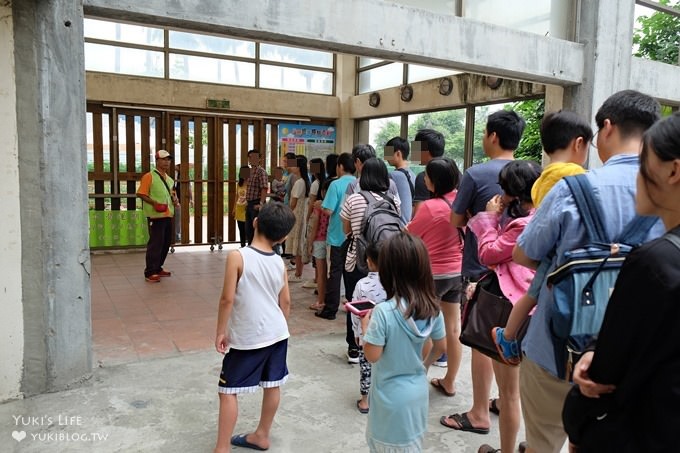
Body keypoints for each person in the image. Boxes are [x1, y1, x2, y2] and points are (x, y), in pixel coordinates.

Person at [512, 90, 662, 453]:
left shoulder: (572, 188)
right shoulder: (667, 195)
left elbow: (524, 254)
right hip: (629, 361)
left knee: (542, 443)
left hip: (555, 349)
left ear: (607, 128)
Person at [562, 112, 680, 453]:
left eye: (644, 162)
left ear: (673, 171)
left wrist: (577, 424)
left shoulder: (655, 261)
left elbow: (603, 374)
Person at [493, 111, 592, 365]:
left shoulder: (544, 177)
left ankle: (509, 335)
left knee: (531, 297)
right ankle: (510, 335)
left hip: (547, 251)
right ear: (578, 143)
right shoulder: (573, 175)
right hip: (562, 256)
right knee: (535, 296)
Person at [447, 109, 525, 430]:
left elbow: (455, 219)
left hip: (482, 270)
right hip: (520, 276)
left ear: (493, 136)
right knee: (510, 339)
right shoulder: (531, 172)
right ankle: (503, 400)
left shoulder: (476, 174)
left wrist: (477, 220)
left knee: (482, 338)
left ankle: (479, 412)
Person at [463, 160, 542, 453]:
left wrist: (487, 216)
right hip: (534, 308)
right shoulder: (541, 216)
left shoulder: (521, 224)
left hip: (512, 311)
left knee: (510, 393)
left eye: (505, 190)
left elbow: (488, 253)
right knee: (525, 389)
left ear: (514, 194)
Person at [213, 201, 296, 453]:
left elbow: (227, 299)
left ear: (255, 222)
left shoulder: (238, 257)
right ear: (282, 237)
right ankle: (262, 435)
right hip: (278, 334)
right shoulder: (279, 262)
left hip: (249, 338)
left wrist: (220, 331)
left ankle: (221, 449)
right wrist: (277, 327)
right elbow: (287, 302)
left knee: (227, 390)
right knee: (273, 384)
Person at [362, 232, 446, 453]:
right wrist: (424, 366)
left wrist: (365, 328)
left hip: (388, 400)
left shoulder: (383, 312)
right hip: (417, 395)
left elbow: (372, 355)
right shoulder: (433, 309)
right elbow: (440, 347)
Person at [406, 157, 464, 397]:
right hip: (458, 271)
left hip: (432, 274)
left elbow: (410, 234)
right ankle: (449, 380)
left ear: (433, 182)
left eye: (427, 176)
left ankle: (420, 374)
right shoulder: (462, 203)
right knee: (453, 328)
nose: (425, 179)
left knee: (422, 327)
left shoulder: (429, 207)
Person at [340, 157, 401, 363]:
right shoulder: (393, 199)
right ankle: (384, 342)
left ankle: (354, 348)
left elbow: (346, 230)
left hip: (358, 258)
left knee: (356, 303)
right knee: (386, 301)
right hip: (389, 260)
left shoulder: (354, 199)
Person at [316, 152, 356, 322]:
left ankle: (330, 308)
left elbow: (329, 210)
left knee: (335, 272)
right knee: (351, 272)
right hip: (354, 236)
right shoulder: (358, 183)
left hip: (337, 236)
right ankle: (352, 304)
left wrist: (320, 206)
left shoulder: (336, 184)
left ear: (340, 167)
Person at [349, 242, 387, 414]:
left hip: (368, 334)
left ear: (369, 261)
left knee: (366, 367)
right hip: (389, 334)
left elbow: (356, 311)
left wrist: (357, 333)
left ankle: (365, 400)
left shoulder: (362, 284)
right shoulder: (394, 284)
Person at [136, 150, 178, 283]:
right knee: (155, 243)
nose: (167, 162)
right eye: (164, 159)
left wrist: (175, 201)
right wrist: (154, 203)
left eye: (169, 160)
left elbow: (172, 195)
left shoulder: (170, 180)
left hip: (168, 214)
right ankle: (150, 272)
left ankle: (158, 267)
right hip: (155, 216)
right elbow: (141, 193)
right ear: (157, 161)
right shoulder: (149, 176)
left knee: (166, 243)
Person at [307, 178, 331, 311]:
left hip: (319, 240)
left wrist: (310, 243)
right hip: (331, 240)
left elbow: (315, 226)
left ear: (322, 191)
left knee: (321, 273)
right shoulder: (334, 205)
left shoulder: (318, 206)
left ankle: (321, 300)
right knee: (329, 272)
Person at [286, 155, 310, 282]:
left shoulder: (299, 182)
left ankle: (298, 274)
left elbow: (293, 202)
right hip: (301, 215)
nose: (291, 167)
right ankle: (298, 272)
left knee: (298, 245)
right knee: (299, 244)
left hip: (297, 216)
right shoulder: (305, 181)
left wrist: (288, 212)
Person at [412, 128, 445, 212]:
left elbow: (419, 215)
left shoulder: (424, 177)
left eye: (416, 149)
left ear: (426, 152)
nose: (414, 153)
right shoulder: (457, 174)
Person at [385, 136, 416, 224]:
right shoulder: (413, 174)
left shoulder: (394, 175)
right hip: (411, 226)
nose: (386, 158)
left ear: (398, 154)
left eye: (388, 153)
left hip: (399, 226)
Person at [245, 149, 269, 246]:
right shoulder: (249, 171)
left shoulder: (261, 171)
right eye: (250, 157)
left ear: (259, 159)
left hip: (256, 203)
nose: (252, 159)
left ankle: (257, 249)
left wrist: (261, 204)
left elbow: (264, 188)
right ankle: (250, 248)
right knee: (248, 229)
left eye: (255, 157)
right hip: (249, 203)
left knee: (257, 229)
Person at [173, 163, 193, 243]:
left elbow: (189, 188)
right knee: (178, 219)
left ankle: (185, 235)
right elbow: (173, 188)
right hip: (178, 200)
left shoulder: (186, 175)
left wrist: (191, 199)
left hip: (185, 200)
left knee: (186, 219)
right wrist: (176, 199)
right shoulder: (175, 174)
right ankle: (177, 236)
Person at [233, 166, 249, 248]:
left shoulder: (251, 183)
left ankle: (250, 245)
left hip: (247, 208)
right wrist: (234, 208)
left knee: (248, 228)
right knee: (241, 228)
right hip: (239, 208)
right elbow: (236, 196)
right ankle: (242, 244)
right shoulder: (239, 184)